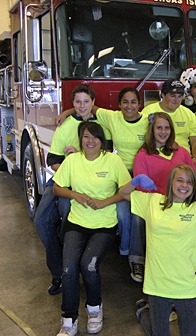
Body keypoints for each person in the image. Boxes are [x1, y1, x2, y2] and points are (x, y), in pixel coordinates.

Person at [119, 164, 196, 336]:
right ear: (171, 182)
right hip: (157, 285)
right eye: (180, 180)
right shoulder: (153, 202)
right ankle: (143, 313)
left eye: (189, 182)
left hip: (185, 286)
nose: (184, 185)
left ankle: (193, 312)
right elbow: (123, 194)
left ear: (194, 187)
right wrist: (136, 181)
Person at [56, 87, 146, 279]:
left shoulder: (147, 120)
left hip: (135, 174)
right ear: (119, 105)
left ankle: (130, 254)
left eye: (133, 102)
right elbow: (86, 106)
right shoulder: (111, 117)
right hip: (107, 176)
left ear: (140, 104)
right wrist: (67, 112)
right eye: (125, 102)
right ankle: (65, 255)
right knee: (54, 211)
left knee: (131, 214)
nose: (129, 106)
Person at [53, 122, 131, 336]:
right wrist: (74, 195)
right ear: (80, 140)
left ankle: (94, 309)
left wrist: (106, 201)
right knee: (68, 268)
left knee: (88, 265)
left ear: (102, 141)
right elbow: (57, 188)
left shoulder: (113, 161)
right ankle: (68, 318)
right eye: (86, 136)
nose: (90, 141)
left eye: (95, 137)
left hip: (104, 224)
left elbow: (127, 191)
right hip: (76, 222)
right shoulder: (72, 161)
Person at [33, 84, 110, 296]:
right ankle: (59, 271)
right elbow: (53, 160)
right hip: (63, 180)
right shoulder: (65, 125)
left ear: (93, 103)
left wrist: (81, 156)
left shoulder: (102, 123)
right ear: (72, 104)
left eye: (86, 102)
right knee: (41, 220)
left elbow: (109, 153)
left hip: (92, 182)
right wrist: (71, 170)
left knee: (67, 216)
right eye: (77, 102)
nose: (82, 106)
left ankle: (72, 269)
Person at [131, 112, 196, 281]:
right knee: (137, 217)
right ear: (152, 130)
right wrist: (164, 204)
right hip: (157, 204)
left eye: (167, 128)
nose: (163, 132)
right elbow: (142, 189)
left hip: (183, 202)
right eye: (159, 128)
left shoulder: (182, 152)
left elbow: (195, 179)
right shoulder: (142, 156)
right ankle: (138, 260)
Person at [142, 79, 196, 211]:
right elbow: (145, 138)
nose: (176, 99)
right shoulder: (149, 112)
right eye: (172, 95)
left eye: (180, 96)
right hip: (160, 158)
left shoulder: (187, 113)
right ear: (162, 95)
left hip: (187, 159)